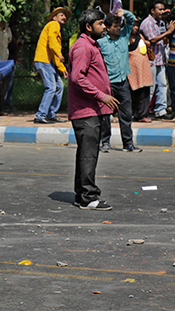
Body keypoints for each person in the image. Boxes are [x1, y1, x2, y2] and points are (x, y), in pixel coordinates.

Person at [69, 8, 117, 211]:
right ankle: (88, 197)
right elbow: (77, 78)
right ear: (88, 27)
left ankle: (82, 194)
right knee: (88, 154)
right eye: (100, 24)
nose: (104, 27)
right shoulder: (83, 47)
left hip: (91, 110)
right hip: (86, 110)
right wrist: (102, 96)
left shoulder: (90, 45)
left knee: (86, 154)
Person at [97, 10, 142, 153]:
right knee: (105, 115)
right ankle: (105, 142)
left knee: (126, 115)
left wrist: (124, 13)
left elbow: (131, 20)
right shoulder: (100, 43)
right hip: (107, 84)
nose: (118, 28)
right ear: (108, 28)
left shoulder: (124, 36)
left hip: (123, 82)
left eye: (119, 25)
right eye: (115, 26)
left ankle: (128, 143)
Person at [33, 7, 70, 124]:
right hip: (44, 61)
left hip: (49, 62)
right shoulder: (54, 24)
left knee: (59, 86)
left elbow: (54, 51)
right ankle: (40, 115)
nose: (64, 17)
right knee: (51, 87)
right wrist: (59, 54)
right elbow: (52, 42)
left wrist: (61, 68)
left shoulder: (56, 27)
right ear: (54, 17)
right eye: (61, 15)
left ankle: (51, 114)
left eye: (65, 16)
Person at [140, 0, 175, 120]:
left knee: (163, 85)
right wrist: (168, 32)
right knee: (150, 88)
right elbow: (153, 39)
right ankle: (142, 112)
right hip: (150, 60)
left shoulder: (160, 23)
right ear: (152, 10)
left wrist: (166, 34)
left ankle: (160, 110)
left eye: (163, 9)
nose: (162, 12)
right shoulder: (147, 23)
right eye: (160, 9)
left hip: (160, 59)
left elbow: (162, 39)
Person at [128, 18, 153, 122]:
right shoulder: (124, 39)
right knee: (132, 93)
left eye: (137, 25)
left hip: (144, 70)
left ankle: (142, 115)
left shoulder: (140, 37)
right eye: (133, 25)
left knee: (144, 92)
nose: (136, 27)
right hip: (132, 71)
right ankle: (132, 113)